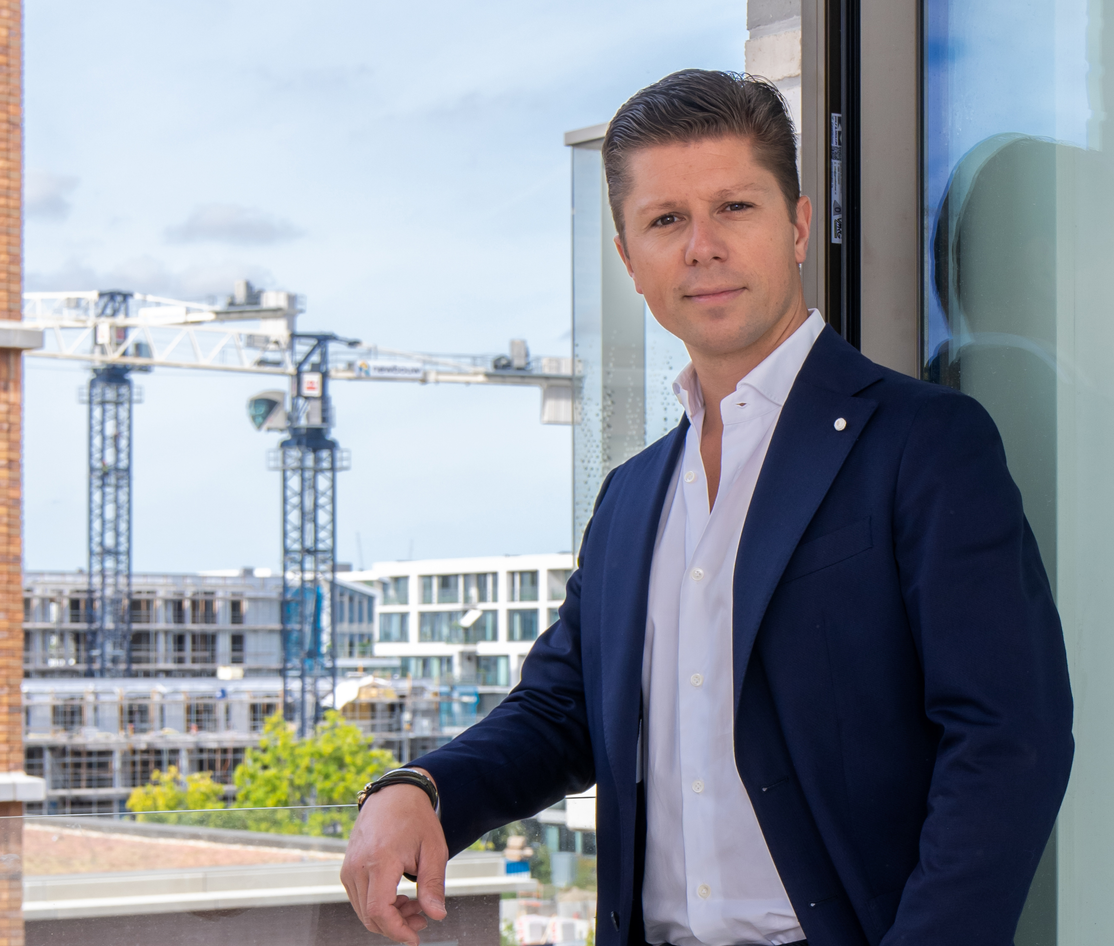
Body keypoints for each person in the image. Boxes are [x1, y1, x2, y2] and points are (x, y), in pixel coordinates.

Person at [340, 69, 1073, 946]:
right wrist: (419, 789)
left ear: (796, 225)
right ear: (629, 259)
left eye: (734, 207)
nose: (702, 247)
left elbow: (1007, 739)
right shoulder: (631, 495)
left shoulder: (924, 443)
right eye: (665, 220)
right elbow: (562, 711)